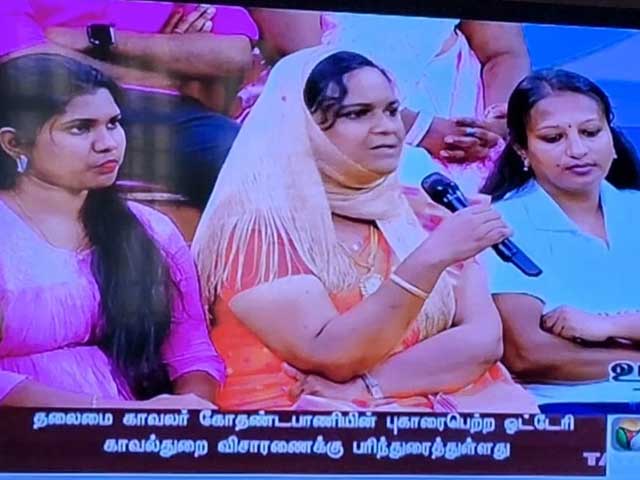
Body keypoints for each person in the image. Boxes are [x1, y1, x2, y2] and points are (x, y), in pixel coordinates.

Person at [191, 47, 538, 413]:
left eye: (391, 110)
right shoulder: (255, 228)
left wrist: (369, 387)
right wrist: (432, 257)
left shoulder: (421, 212)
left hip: (417, 419)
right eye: (357, 113)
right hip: (296, 428)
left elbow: (482, 341)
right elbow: (329, 354)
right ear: (301, 126)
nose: (387, 127)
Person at [0, 54, 225, 408]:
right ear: (14, 143)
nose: (107, 143)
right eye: (81, 128)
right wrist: (118, 414)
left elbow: (191, 351)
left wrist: (189, 415)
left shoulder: (149, 229)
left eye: (113, 123)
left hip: (136, 432)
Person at [481, 69, 640, 409]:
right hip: (567, 409)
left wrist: (607, 326)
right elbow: (527, 354)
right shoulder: (502, 222)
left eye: (591, 132)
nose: (578, 150)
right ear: (522, 150)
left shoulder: (635, 208)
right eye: (553, 138)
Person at [0, 0, 259, 209]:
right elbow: (25, 59)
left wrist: (100, 38)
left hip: (162, 112)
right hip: (56, 105)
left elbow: (234, 53)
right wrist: (167, 71)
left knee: (236, 154)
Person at [322, 13, 530, 193]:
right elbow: (308, 74)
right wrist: (420, 128)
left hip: (475, 149)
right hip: (351, 144)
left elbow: (504, 53)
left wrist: (499, 121)